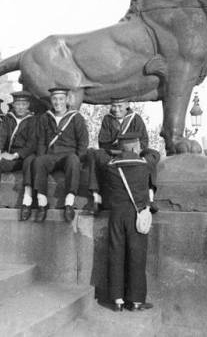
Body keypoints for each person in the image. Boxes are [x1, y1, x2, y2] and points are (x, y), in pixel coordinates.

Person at [88, 132, 159, 312]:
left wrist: (115, 151)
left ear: (119, 147)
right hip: (137, 214)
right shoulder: (145, 164)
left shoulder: (110, 165)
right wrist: (139, 151)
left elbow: (96, 154)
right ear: (136, 147)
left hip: (117, 214)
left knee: (115, 254)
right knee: (137, 256)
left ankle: (117, 300)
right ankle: (136, 301)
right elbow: (154, 153)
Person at [32, 88, 89, 222]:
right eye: (54, 99)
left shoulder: (76, 117)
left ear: (67, 100)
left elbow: (83, 141)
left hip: (68, 155)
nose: (58, 102)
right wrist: (42, 156)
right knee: (38, 161)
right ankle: (42, 203)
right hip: (51, 155)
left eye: (61, 99)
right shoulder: (45, 117)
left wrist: (79, 159)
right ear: (51, 101)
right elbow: (41, 141)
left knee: (73, 159)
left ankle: (69, 203)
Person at [0, 91, 37, 214]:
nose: (20, 107)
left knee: (30, 163)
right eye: (18, 104)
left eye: (23, 104)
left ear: (28, 106)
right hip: (8, 156)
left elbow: (32, 144)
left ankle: (27, 200)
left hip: (23, 157)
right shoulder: (8, 118)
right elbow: (1, 135)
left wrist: (14, 155)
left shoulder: (33, 121)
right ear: (13, 105)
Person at [88, 97, 151, 215]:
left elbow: (144, 141)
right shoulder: (107, 119)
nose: (116, 110)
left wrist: (134, 150)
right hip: (114, 154)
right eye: (113, 106)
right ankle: (96, 197)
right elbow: (103, 142)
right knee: (94, 154)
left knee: (151, 155)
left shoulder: (136, 119)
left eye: (119, 106)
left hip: (133, 155)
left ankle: (149, 197)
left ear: (127, 105)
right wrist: (117, 148)